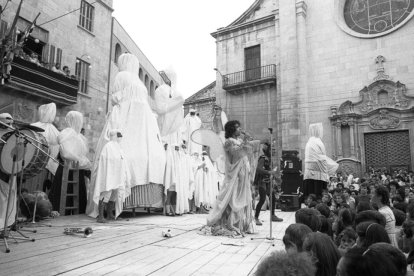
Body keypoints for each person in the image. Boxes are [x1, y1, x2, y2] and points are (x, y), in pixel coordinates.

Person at [87, 53, 166, 218]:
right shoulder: (139, 83)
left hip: (126, 119)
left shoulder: (121, 76)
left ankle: (109, 208)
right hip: (142, 126)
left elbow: (115, 99)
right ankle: (119, 205)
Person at [206, 120, 260, 237]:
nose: (240, 129)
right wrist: (245, 142)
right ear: (232, 130)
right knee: (233, 197)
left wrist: (249, 140)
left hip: (243, 174)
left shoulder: (240, 140)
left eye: (240, 127)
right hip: (235, 175)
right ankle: (230, 223)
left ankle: (244, 224)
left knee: (243, 197)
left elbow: (247, 150)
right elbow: (236, 153)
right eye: (237, 128)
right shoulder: (229, 142)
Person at [91, 130, 131, 223]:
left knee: (114, 194)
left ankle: (110, 214)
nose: (120, 137)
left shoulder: (119, 147)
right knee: (106, 194)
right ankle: (100, 216)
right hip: (109, 175)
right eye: (119, 135)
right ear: (115, 135)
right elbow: (105, 161)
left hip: (117, 175)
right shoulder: (108, 146)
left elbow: (122, 160)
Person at [303, 123, 338, 199]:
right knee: (318, 193)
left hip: (310, 172)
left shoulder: (309, 142)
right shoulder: (318, 142)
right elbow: (322, 158)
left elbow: (320, 157)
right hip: (318, 172)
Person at [254, 142, 283, 225]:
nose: (274, 151)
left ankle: (273, 215)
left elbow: (271, 171)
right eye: (272, 149)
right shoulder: (263, 158)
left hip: (268, 181)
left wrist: (276, 178)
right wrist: (269, 172)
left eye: (274, 150)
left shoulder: (269, 159)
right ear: (268, 150)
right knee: (262, 199)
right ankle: (256, 217)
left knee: (272, 197)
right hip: (262, 181)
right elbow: (258, 169)